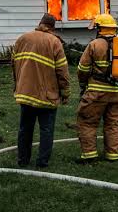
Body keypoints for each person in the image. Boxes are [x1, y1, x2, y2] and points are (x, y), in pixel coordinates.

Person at [12, 13, 70, 168]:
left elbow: (14, 65)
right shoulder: (54, 42)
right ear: (52, 28)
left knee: (25, 129)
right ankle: (42, 163)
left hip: (26, 93)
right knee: (46, 130)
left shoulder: (22, 39)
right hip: (47, 96)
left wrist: (17, 85)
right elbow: (62, 72)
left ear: (40, 24)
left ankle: (22, 161)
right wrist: (65, 93)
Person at [76, 13, 118, 162]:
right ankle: (113, 155)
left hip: (97, 92)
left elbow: (82, 69)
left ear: (99, 28)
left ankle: (89, 155)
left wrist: (83, 85)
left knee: (88, 122)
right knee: (113, 124)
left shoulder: (94, 45)